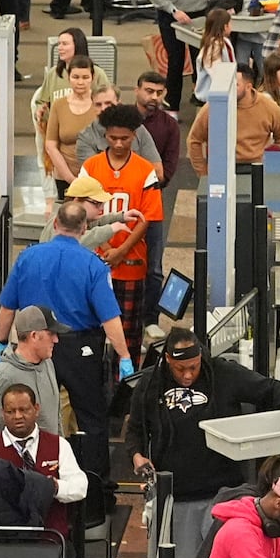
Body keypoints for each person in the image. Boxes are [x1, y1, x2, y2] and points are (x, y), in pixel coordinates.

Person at [128, 326, 280, 558]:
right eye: (181, 369)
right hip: (178, 496)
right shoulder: (150, 385)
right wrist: (137, 456)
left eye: (194, 366)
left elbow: (269, 388)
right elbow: (135, 430)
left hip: (224, 493)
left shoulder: (224, 374)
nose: (188, 375)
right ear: (168, 360)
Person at [0, 200, 132, 483]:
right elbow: (110, 318)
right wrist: (124, 356)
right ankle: (95, 488)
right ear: (84, 228)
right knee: (91, 418)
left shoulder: (28, 257)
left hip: (33, 347)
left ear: (55, 225)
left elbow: (7, 308)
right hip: (79, 349)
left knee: (30, 413)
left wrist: (0, 343)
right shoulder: (92, 264)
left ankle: (30, 478)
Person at [79, 104, 163, 364]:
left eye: (124, 139)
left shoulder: (144, 170)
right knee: (89, 333)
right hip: (93, 262)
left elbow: (147, 218)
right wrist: (105, 250)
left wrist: (121, 250)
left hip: (130, 264)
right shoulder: (91, 167)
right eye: (112, 138)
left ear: (135, 136)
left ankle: (123, 390)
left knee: (128, 336)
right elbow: (80, 213)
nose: (117, 143)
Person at [0, 383, 87, 536]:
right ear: (2, 413)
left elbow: (80, 487)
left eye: (24, 410)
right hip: (3, 543)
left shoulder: (59, 445)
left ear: (36, 409)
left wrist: (52, 487)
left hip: (51, 541)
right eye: (10, 411)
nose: (18, 416)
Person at [0, 305, 65, 442]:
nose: (56, 340)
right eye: (51, 334)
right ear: (34, 336)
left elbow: (56, 418)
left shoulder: (47, 364)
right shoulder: (4, 376)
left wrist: (59, 451)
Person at [187, 64, 280, 173]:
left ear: (248, 87)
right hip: (222, 167)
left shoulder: (269, 107)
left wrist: (274, 165)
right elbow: (194, 140)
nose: (229, 89)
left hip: (257, 167)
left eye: (235, 85)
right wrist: (203, 173)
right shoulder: (213, 107)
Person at [43, 54, 98, 196]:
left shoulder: (101, 104)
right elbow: (51, 145)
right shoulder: (58, 105)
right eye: (76, 77)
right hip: (64, 177)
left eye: (85, 77)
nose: (80, 82)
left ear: (93, 78)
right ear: (68, 78)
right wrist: (70, 178)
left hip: (97, 177)